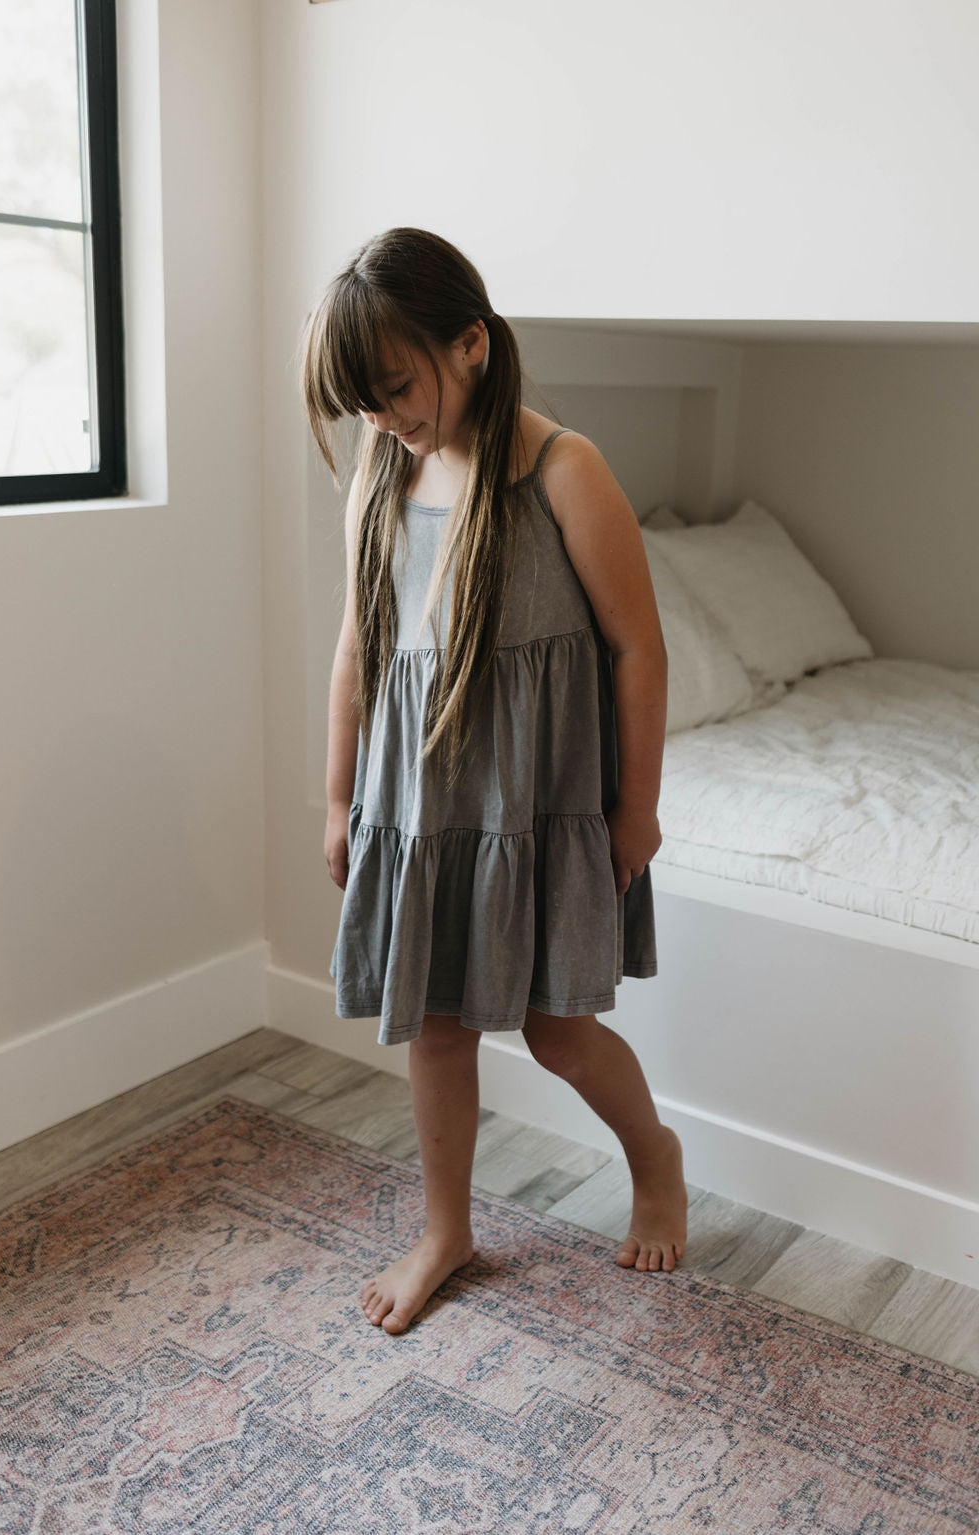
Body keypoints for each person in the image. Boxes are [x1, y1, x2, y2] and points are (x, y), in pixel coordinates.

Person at [300, 227, 687, 1336]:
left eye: (392, 389)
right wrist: (339, 799)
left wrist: (637, 807)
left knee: (557, 1028)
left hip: (536, 803)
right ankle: (445, 1227)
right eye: (361, 403)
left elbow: (636, 649)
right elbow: (357, 648)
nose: (380, 418)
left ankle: (653, 1152)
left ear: (469, 342)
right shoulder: (383, 473)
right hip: (423, 810)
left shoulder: (562, 467)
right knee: (432, 1025)